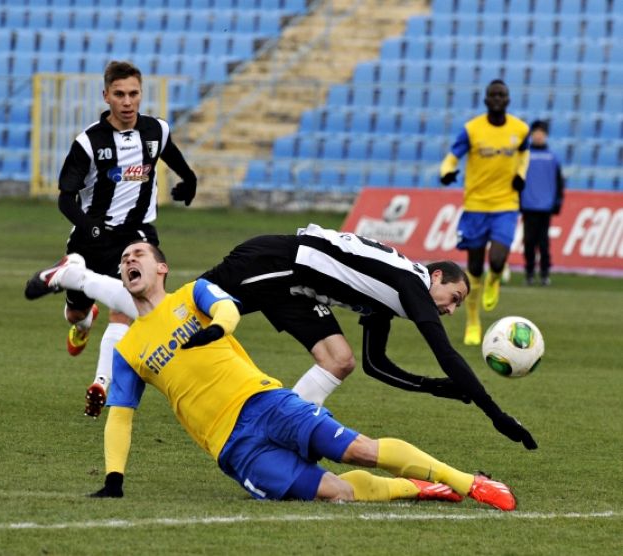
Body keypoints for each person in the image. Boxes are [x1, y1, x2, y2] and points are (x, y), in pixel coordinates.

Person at [27, 241, 520, 510]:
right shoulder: (132, 346)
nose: (131, 260)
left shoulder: (194, 294)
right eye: (125, 258)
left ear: (162, 267)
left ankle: (468, 483)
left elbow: (228, 311)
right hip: (235, 439)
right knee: (337, 493)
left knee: (354, 424)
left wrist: (215, 328)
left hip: (265, 398)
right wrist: (114, 480)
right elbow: (121, 416)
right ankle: (425, 488)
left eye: (139, 255)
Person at [27, 60, 198, 418]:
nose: (127, 101)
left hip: (136, 234)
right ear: (106, 96)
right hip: (92, 235)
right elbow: (65, 198)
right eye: (119, 94)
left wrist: (189, 181)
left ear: (141, 94)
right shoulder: (88, 143)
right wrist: (88, 226)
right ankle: (83, 320)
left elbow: (174, 158)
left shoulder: (156, 131)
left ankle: (101, 384)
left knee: (125, 309)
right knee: (74, 313)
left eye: (133, 93)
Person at [439, 79, 530, 346]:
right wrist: (446, 172)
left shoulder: (520, 129)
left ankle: (496, 279)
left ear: (508, 99)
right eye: (493, 95)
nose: (497, 99)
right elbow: (453, 156)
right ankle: (473, 321)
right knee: (475, 268)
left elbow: (524, 154)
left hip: (506, 205)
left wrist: (521, 175)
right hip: (476, 206)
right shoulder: (472, 129)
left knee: (499, 259)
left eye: (502, 94)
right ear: (486, 100)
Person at [520, 120, 565, 286]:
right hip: (528, 205)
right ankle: (529, 273)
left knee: (544, 243)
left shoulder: (553, 157)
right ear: (532, 134)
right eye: (536, 132)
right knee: (529, 242)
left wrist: (558, 201)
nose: (538, 136)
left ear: (545, 135)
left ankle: (545, 273)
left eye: (541, 133)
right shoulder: (524, 155)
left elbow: (559, 181)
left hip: (545, 207)